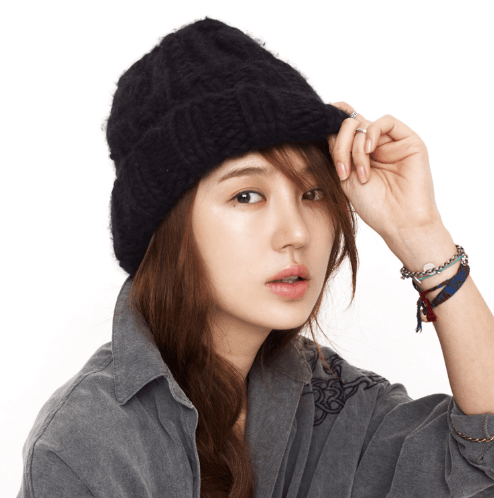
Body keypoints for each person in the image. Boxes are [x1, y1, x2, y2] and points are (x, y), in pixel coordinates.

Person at [17, 17, 494, 498]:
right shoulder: (85, 445)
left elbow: (480, 463)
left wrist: (421, 235)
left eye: (311, 193)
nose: (296, 233)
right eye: (247, 196)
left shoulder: (333, 402)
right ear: (169, 227)